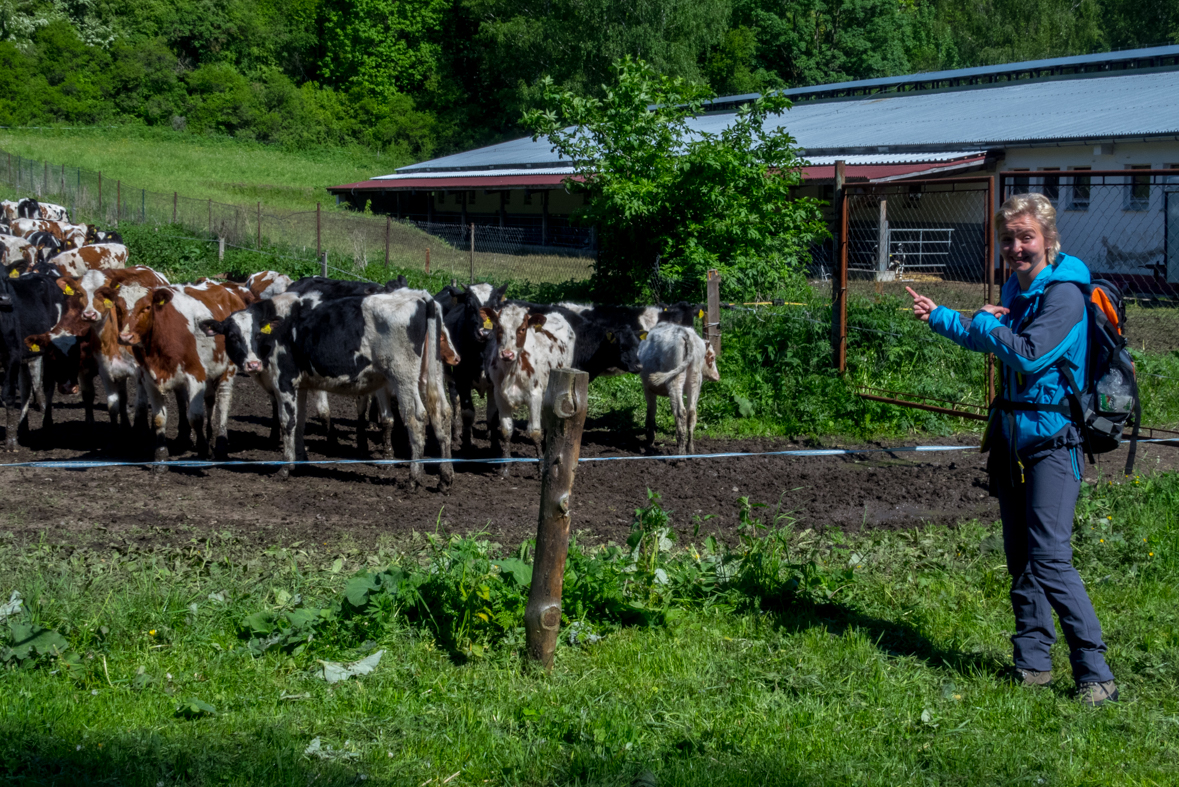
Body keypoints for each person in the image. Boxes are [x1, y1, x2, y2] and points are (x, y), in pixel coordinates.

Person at [906, 192, 1117, 706]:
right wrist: (945, 318)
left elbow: (1027, 354)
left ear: (1047, 238)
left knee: (1049, 557)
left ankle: (1096, 675)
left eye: (1026, 237)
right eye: (1008, 239)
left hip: (1053, 440)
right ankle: (1033, 664)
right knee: (1020, 557)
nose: (1017, 247)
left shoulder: (1064, 293)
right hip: (1011, 439)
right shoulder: (1017, 289)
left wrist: (983, 321)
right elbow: (994, 338)